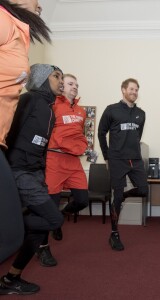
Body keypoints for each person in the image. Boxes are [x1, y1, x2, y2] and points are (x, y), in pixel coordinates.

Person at [0, 64, 65, 295]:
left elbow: (40, 146)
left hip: (36, 173)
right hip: (19, 172)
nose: (62, 81)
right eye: (57, 76)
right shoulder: (29, 100)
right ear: (42, 78)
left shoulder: (49, 108)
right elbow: (9, 132)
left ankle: (11, 278)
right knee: (54, 220)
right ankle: (11, 228)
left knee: (38, 231)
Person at [0, 0, 51, 264]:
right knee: (9, 234)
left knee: (10, 234)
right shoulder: (3, 20)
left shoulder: (18, 31)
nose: (40, 4)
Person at [38, 74, 89, 266]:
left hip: (73, 162)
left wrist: (81, 145)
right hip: (54, 159)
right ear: (61, 87)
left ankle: (59, 219)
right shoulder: (52, 106)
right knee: (49, 206)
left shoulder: (82, 112)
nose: (75, 86)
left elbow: (79, 134)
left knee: (82, 199)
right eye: (70, 83)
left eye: (76, 84)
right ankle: (43, 248)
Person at [98, 78, 148, 251]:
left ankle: (125, 196)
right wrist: (106, 156)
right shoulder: (111, 110)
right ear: (123, 90)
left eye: (137, 89)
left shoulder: (141, 114)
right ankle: (114, 233)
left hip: (135, 159)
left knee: (143, 189)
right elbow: (101, 133)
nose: (134, 92)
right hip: (117, 159)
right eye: (132, 89)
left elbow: (137, 136)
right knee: (116, 197)